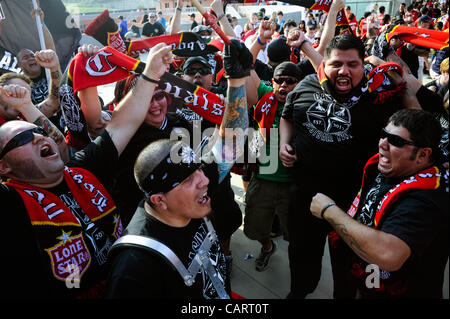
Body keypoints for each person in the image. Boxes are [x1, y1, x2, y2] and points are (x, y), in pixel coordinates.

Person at [0, 43, 173, 298]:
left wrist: (150, 75)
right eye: (22, 140)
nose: (38, 138)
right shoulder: (10, 203)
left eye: (37, 132)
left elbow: (121, 125)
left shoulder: (82, 168)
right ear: (3, 166)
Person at [279, 33, 427, 299]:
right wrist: (284, 143)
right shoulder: (306, 86)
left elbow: (419, 127)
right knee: (301, 259)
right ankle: (298, 292)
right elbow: (287, 116)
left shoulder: (381, 96)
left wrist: (402, 83)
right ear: (325, 65)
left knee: (349, 273)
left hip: (355, 206)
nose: (344, 71)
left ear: (364, 66)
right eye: (337, 64)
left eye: (352, 64)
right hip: (305, 199)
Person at [105, 39, 253, 299]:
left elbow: (227, 148)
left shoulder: (180, 132)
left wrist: (237, 81)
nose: (204, 180)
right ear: (157, 198)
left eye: (160, 95)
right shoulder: (135, 265)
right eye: (144, 98)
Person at [310, 109, 449, 299]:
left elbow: (389, 255)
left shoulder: (427, 198)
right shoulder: (387, 166)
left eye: (396, 141)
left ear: (423, 155)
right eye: (384, 134)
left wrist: (329, 211)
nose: (383, 144)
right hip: (366, 282)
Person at [179, 55, 243, 276]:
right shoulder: (170, 104)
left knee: (224, 221)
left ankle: (226, 255)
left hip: (217, 181)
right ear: (182, 77)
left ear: (211, 76)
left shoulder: (221, 101)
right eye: (191, 70)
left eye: (203, 70)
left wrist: (229, 111)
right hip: (183, 185)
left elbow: (238, 135)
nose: (197, 74)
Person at [243, 60, 304, 272]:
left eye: (290, 81)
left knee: (297, 233)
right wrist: (258, 41)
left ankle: (299, 266)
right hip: (262, 179)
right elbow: (245, 65)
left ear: (299, 84)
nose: (283, 85)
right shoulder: (264, 96)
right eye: (279, 81)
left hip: (294, 185)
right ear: (272, 82)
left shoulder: (308, 103)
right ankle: (267, 247)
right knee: (254, 228)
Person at [1, 50, 61, 125]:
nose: (18, 99)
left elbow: (53, 103)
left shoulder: (24, 116)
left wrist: (54, 67)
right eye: (15, 90)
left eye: (25, 95)